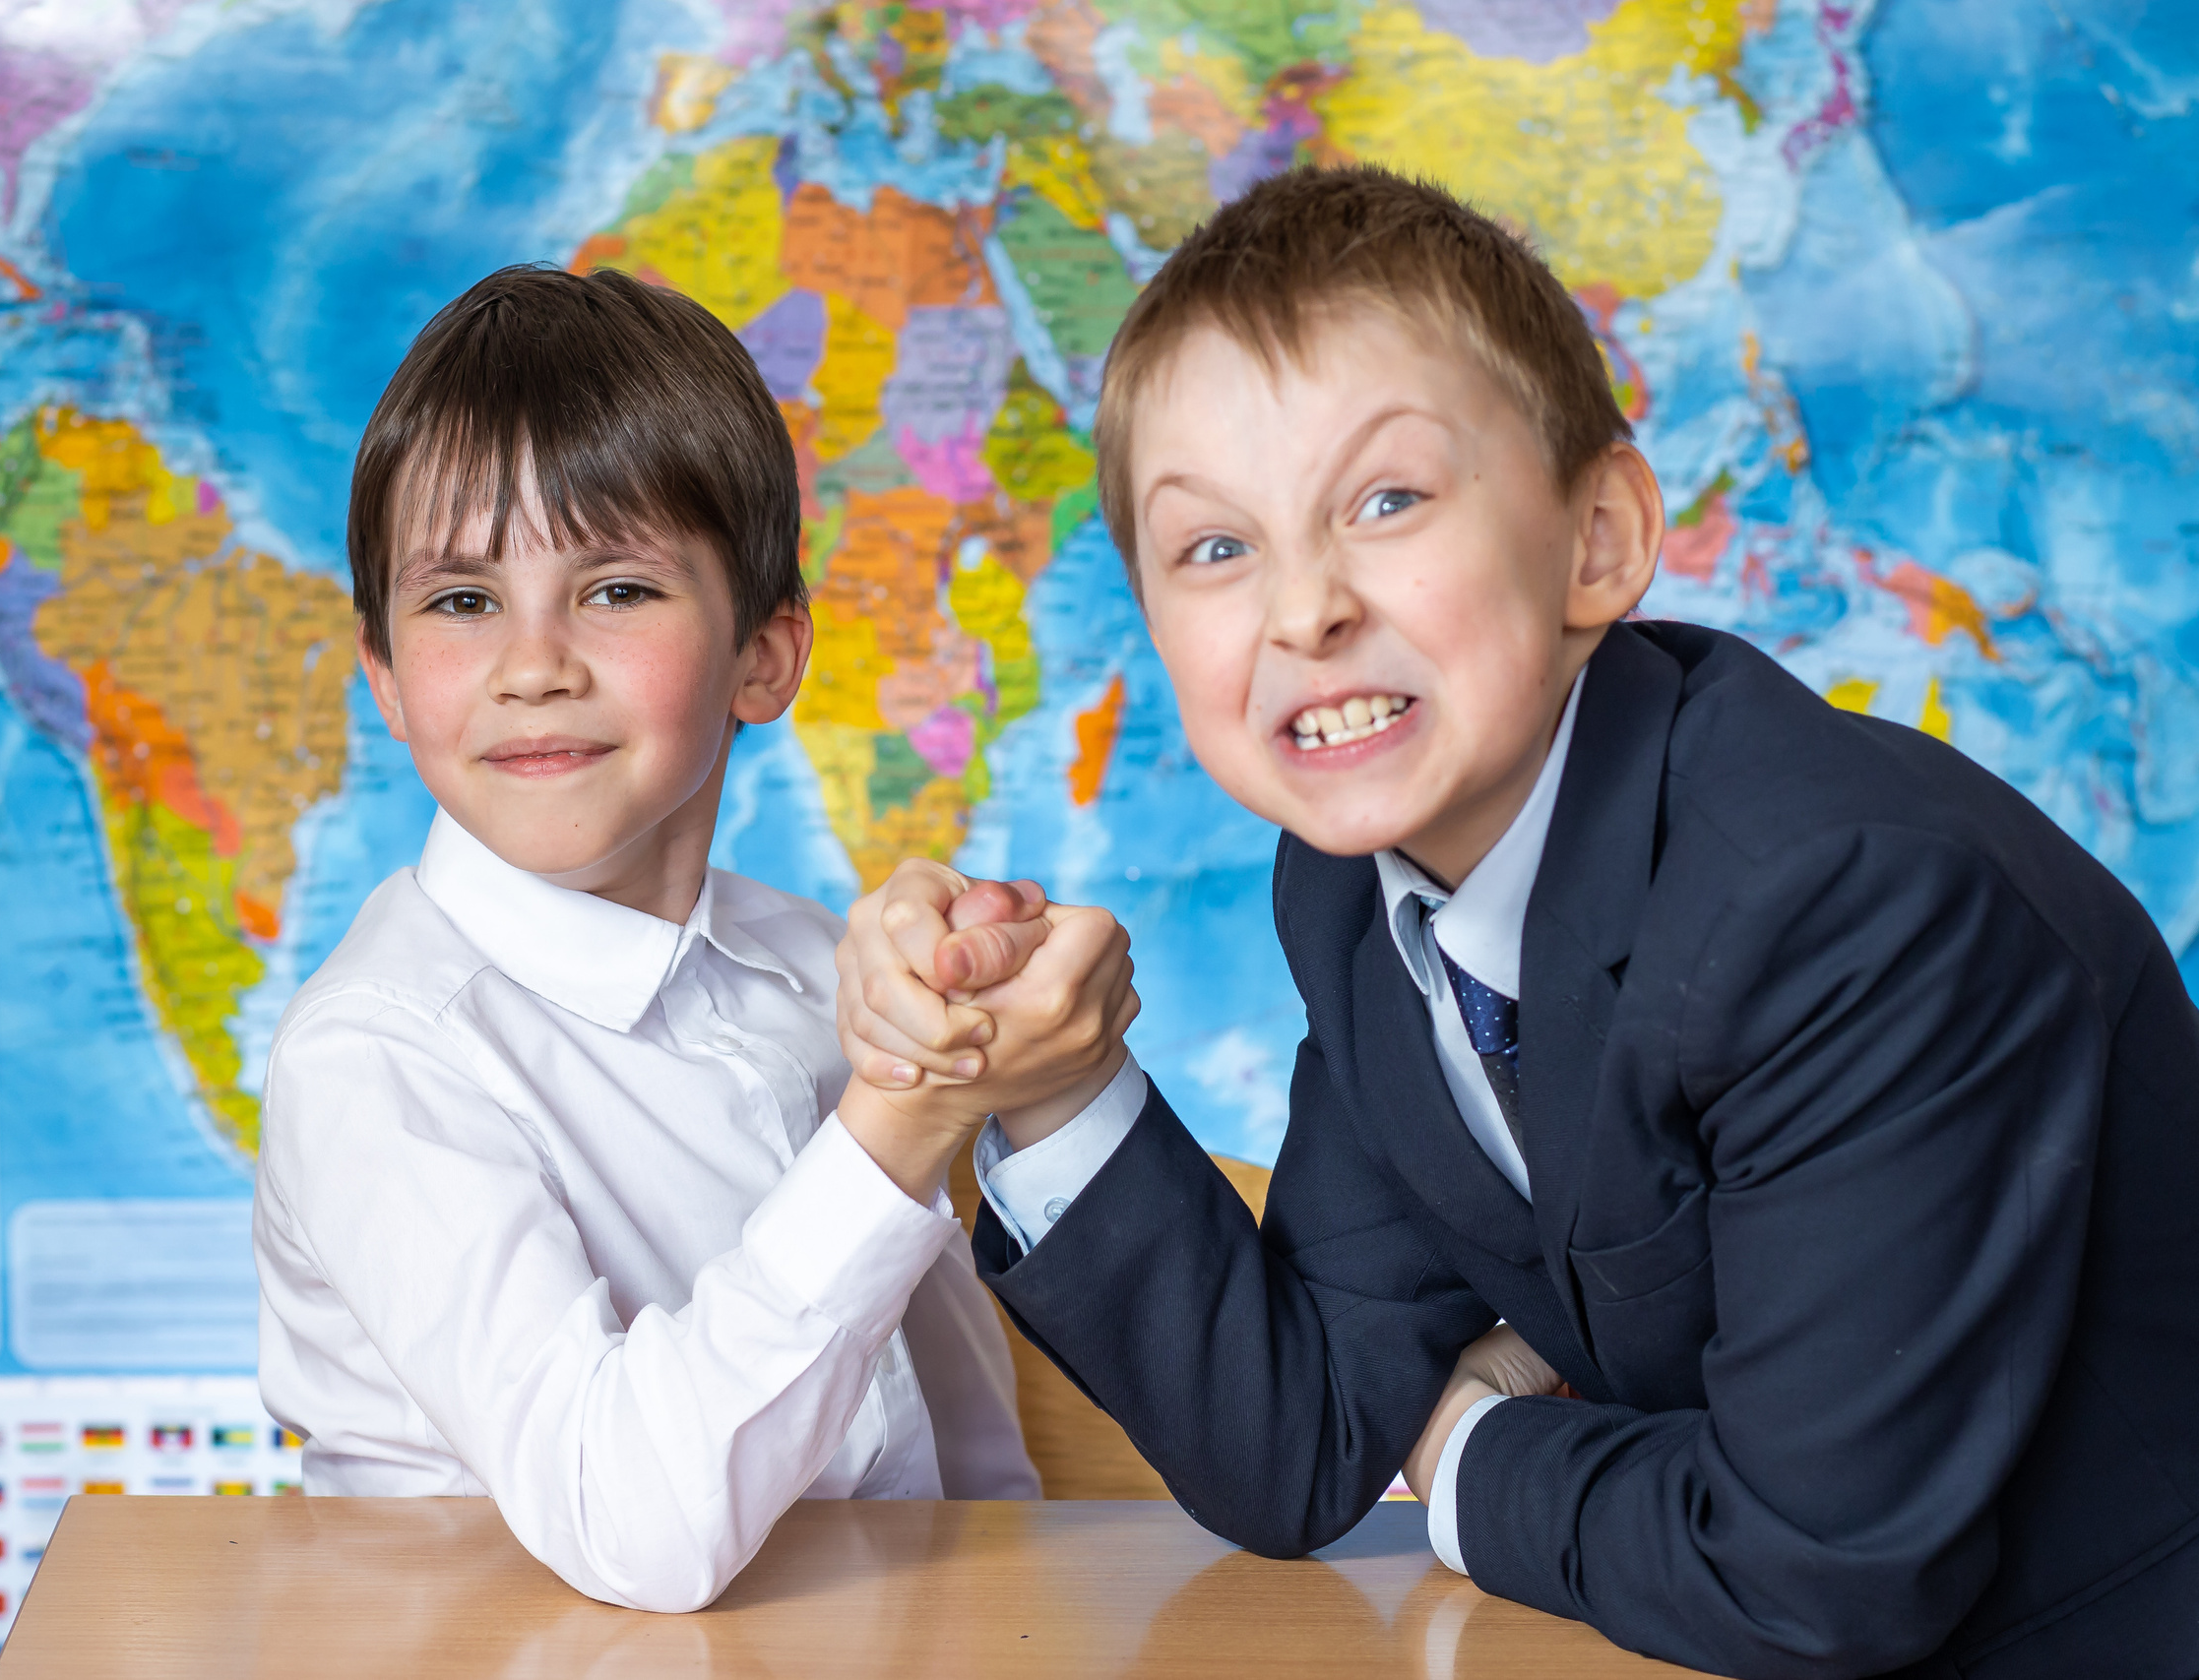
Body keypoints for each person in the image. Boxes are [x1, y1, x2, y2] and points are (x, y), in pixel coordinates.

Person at [836, 167, 2199, 1679]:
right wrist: (1054, 1081)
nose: (1304, 611)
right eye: (1216, 547)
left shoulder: (1838, 908)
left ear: (1600, 539)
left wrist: (1470, 1461)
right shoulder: (1360, 887)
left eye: (1388, 500)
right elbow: (1300, 1444)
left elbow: (1815, 1574)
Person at [252, 266, 1137, 1613]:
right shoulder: (379, 1062)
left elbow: (958, 1451)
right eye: (462, 601)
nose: (534, 663)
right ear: (381, 675)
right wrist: (901, 1121)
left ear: (764, 659)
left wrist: (997, 1014)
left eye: (614, 590)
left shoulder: (803, 968)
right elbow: (633, 1529)